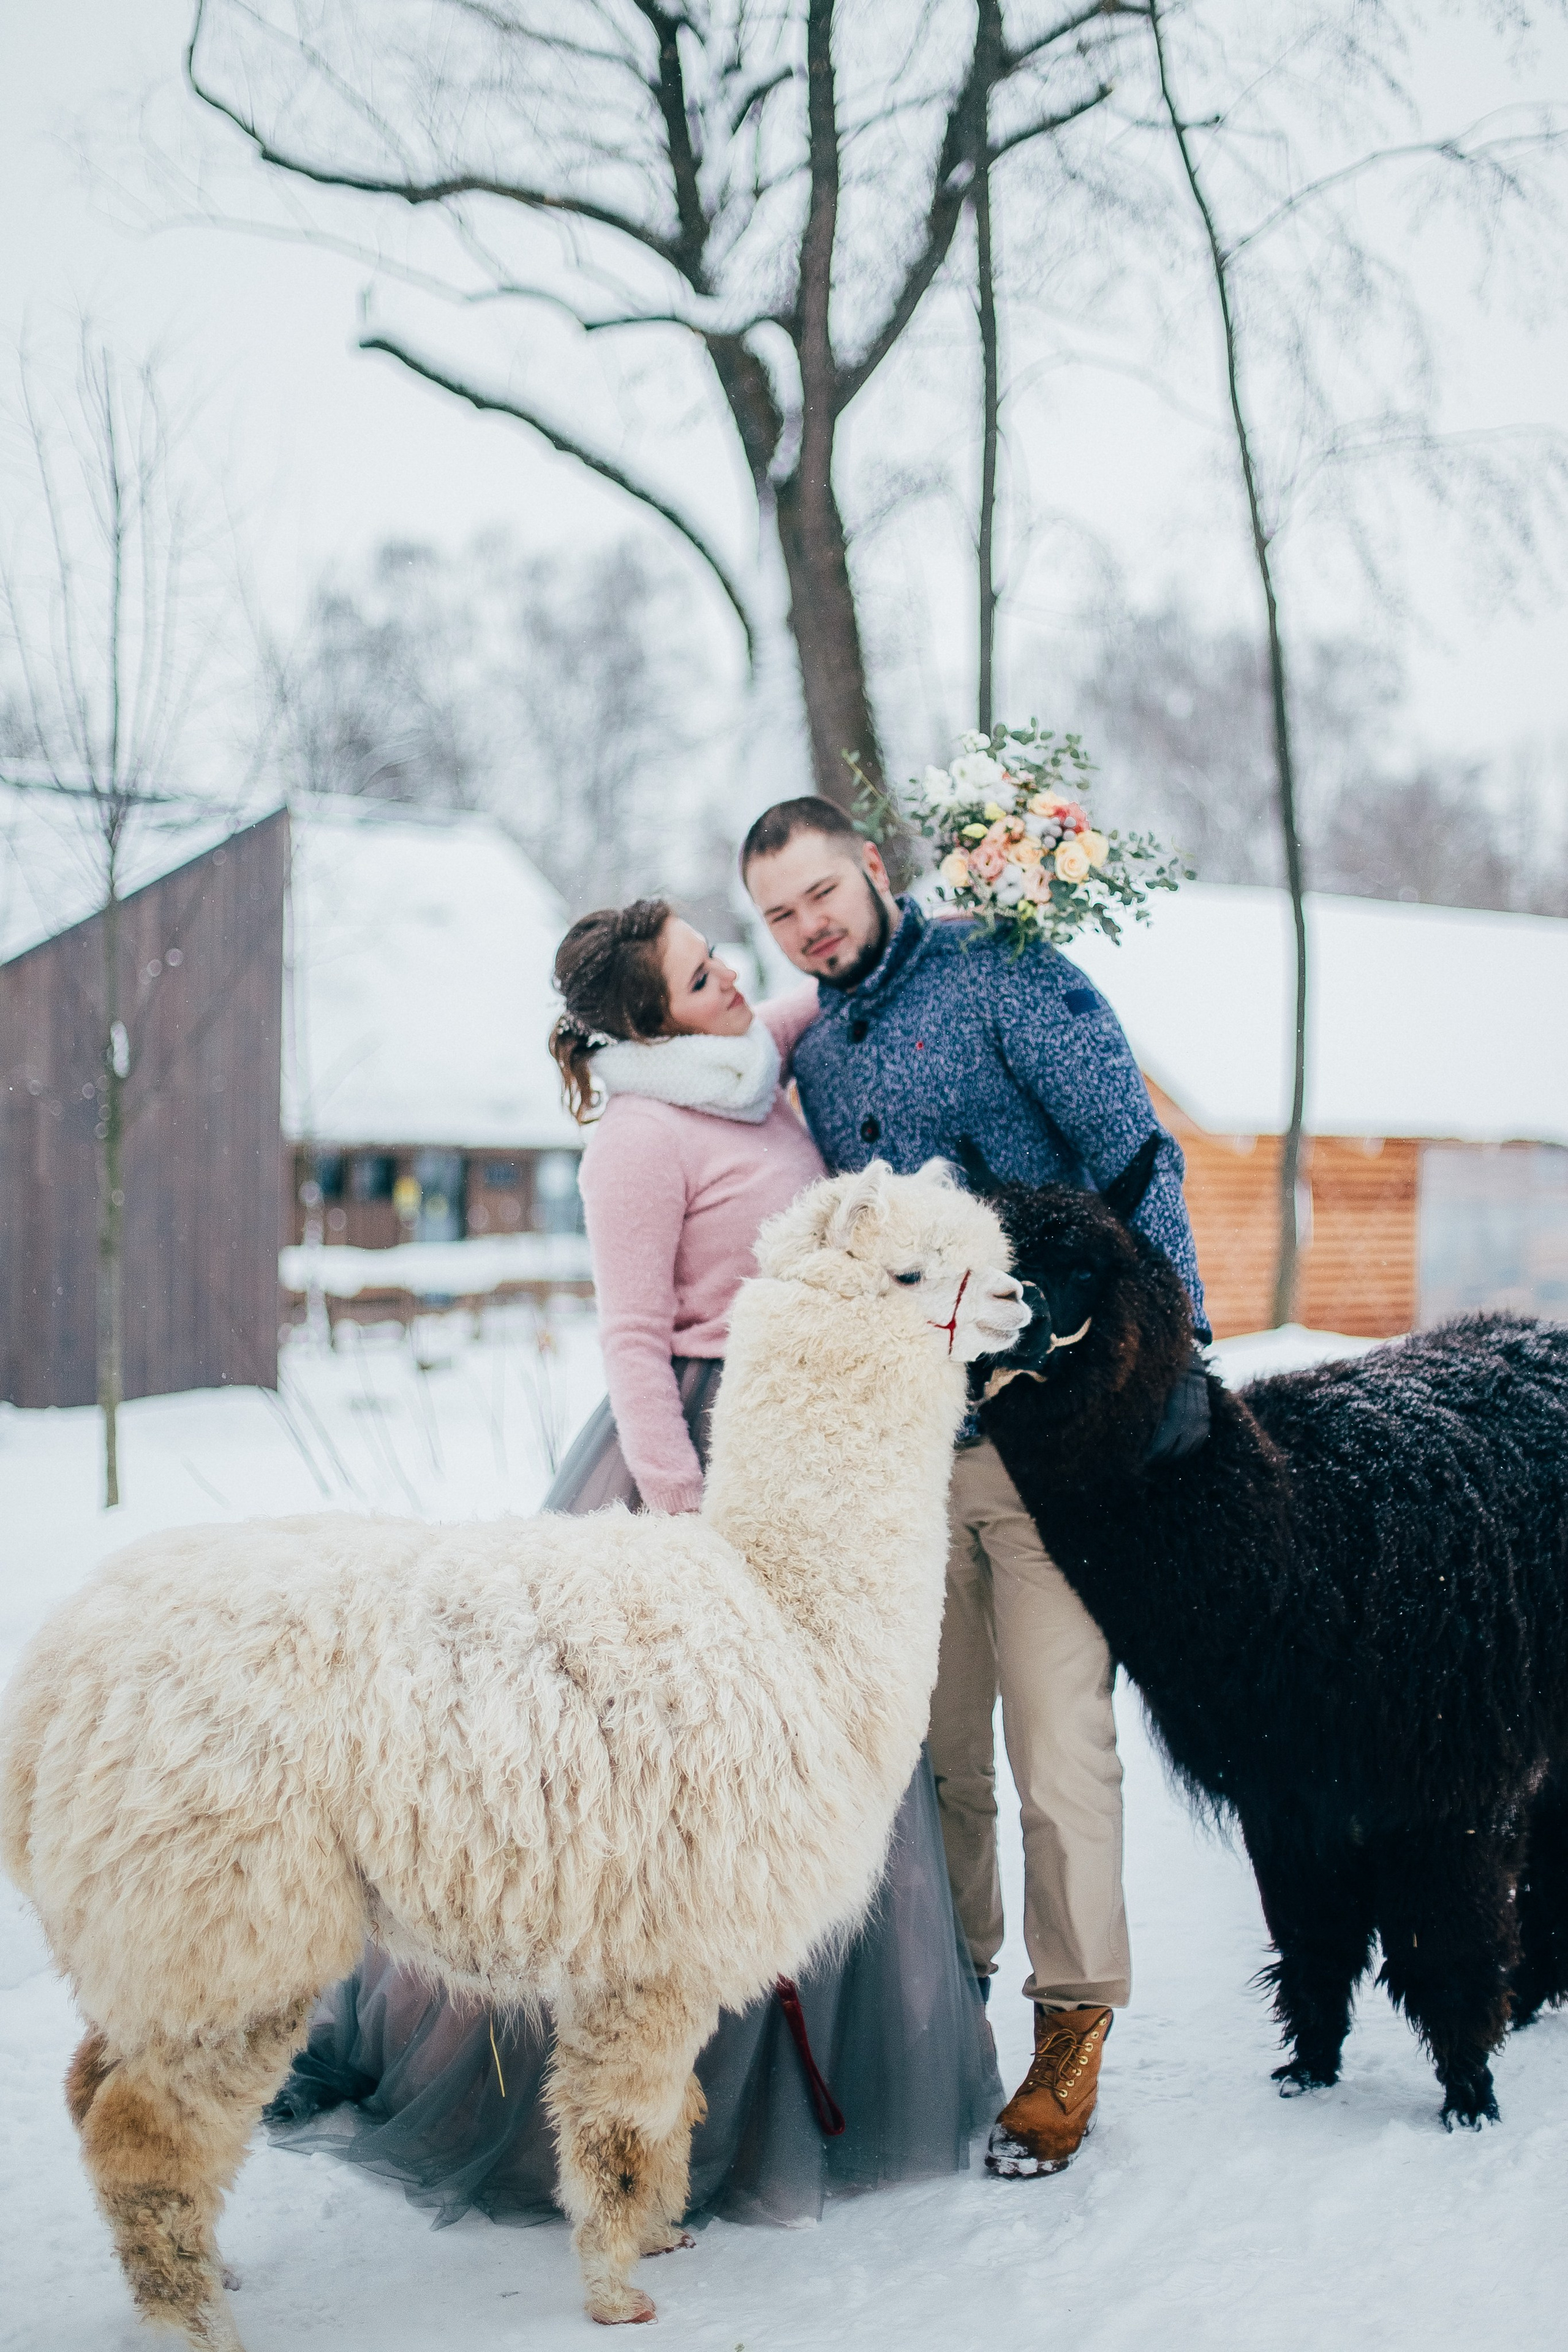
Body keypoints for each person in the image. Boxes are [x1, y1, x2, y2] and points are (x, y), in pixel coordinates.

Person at [268, 895, 998, 2228]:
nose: (732, 977)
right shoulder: (641, 1138)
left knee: (829, 1784)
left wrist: (966, 897)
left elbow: (840, 980)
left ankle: (821, 2090)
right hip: (699, 1462)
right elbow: (627, 1339)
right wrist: (686, 1518)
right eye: (700, 976)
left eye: (720, 959)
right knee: (636, 1809)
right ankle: (560, 2097)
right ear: (649, 1025)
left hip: (808, 1461)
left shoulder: (752, 1068)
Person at [741, 796, 1211, 2180]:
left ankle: (1071, 2027)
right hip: (917, 1463)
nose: (807, 926)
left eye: (822, 892)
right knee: (934, 1756)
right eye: (777, 915)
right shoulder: (816, 1057)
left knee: (1058, 1746)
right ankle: (950, 2011)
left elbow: (1138, 1161)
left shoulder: (1006, 970)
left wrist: (1176, 1373)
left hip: (1064, 1446)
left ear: (872, 869)